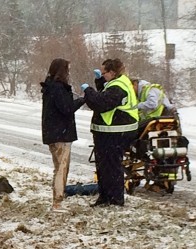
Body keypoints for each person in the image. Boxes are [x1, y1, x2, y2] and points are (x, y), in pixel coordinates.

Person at [81, 58, 139, 207]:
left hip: (116, 133)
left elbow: (101, 103)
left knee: (112, 167)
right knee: (104, 166)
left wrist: (88, 91)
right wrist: (99, 82)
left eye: (104, 72)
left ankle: (115, 199)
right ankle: (105, 197)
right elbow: (105, 95)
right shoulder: (118, 82)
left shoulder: (118, 87)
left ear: (112, 72)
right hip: (109, 133)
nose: (103, 74)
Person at [41, 58, 85, 212]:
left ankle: (57, 200)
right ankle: (57, 202)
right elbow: (67, 109)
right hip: (61, 134)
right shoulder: (58, 89)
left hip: (53, 133)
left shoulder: (49, 87)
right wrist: (82, 100)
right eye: (67, 70)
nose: (69, 73)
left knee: (58, 167)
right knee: (62, 168)